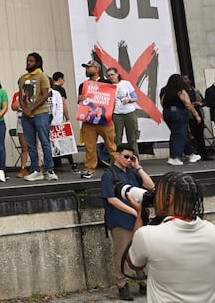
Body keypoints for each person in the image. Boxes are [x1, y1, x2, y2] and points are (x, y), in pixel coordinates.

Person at [127, 172, 215, 302]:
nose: (154, 196)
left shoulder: (148, 235)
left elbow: (134, 263)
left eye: (157, 192)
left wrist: (140, 215)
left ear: (169, 199)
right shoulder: (212, 231)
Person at [100, 144, 154, 300]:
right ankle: (122, 285)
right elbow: (112, 199)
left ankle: (142, 281)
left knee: (140, 250)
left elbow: (151, 186)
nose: (128, 160)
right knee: (122, 253)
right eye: (125, 157)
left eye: (131, 157)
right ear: (117, 155)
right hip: (120, 219)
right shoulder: (108, 174)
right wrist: (134, 211)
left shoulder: (131, 172)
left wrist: (138, 167)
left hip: (137, 218)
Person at [18, 53, 56, 182]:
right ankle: (35, 170)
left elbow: (45, 95)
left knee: (45, 142)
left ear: (38, 62)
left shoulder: (42, 76)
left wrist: (31, 109)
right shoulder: (23, 78)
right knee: (30, 144)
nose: (28, 63)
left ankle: (49, 169)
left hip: (40, 113)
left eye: (31, 61)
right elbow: (21, 96)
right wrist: (25, 109)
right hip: (26, 115)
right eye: (27, 60)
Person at [77, 60, 116, 179]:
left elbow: (112, 101)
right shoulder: (83, 85)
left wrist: (109, 113)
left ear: (97, 69)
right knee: (89, 146)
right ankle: (89, 168)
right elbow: (81, 102)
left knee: (111, 145)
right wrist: (81, 99)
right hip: (89, 119)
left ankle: (117, 167)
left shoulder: (106, 83)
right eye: (86, 68)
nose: (87, 70)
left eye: (89, 67)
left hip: (104, 119)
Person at [159, 74, 202, 166]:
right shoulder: (181, 91)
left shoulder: (164, 90)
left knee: (179, 133)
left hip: (167, 112)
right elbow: (187, 104)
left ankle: (191, 153)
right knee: (179, 134)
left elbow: (162, 102)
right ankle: (175, 157)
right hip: (179, 112)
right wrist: (196, 115)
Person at [106, 67, 140, 156]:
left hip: (129, 112)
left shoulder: (126, 83)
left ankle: (135, 159)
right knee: (117, 138)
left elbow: (135, 97)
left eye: (112, 74)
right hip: (116, 114)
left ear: (117, 74)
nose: (111, 77)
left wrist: (129, 100)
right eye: (109, 76)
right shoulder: (108, 86)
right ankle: (117, 160)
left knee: (132, 138)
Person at [51, 72, 79, 173]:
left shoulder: (50, 89)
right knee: (64, 141)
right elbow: (63, 104)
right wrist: (67, 117)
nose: (64, 81)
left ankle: (55, 164)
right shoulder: (60, 90)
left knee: (52, 142)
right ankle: (73, 165)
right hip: (59, 119)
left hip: (49, 120)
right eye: (63, 79)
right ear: (60, 79)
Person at [183, 74, 207, 160]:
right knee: (193, 135)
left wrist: (200, 104)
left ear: (189, 80)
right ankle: (195, 153)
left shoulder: (196, 91)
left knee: (200, 135)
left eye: (185, 79)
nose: (184, 81)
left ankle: (204, 154)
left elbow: (204, 102)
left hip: (199, 113)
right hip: (190, 116)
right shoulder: (183, 92)